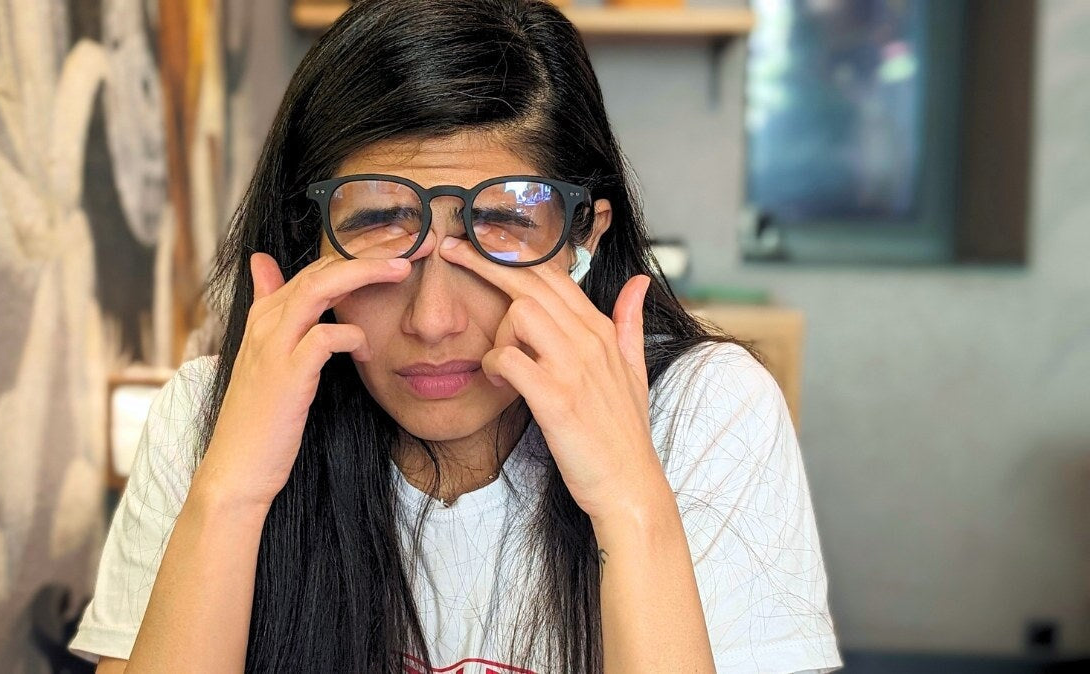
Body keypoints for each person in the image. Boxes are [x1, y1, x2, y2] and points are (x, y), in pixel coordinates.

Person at [68, 0, 843, 671]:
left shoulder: (706, 415)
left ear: (583, 239)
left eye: (502, 225)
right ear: (310, 241)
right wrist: (232, 495)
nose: (433, 320)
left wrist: (630, 502)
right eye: (376, 223)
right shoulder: (214, 417)